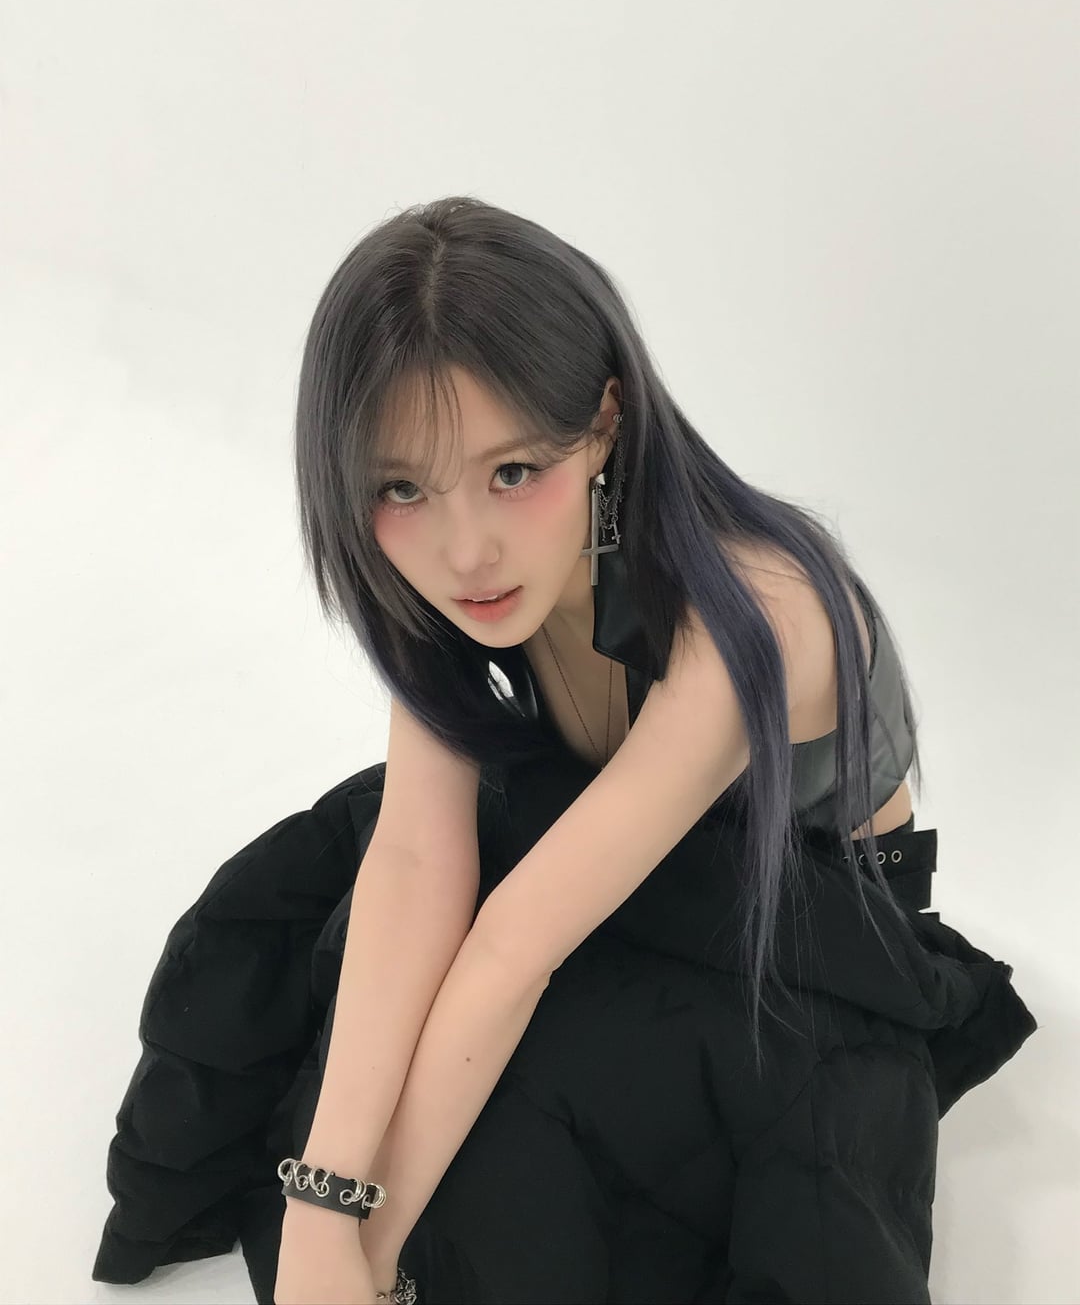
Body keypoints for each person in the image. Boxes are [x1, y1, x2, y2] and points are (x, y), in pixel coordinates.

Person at [93, 196, 1037, 1305]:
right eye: (402, 488)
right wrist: (320, 1209)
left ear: (604, 422)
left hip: (805, 918)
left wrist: (367, 1249)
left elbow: (510, 949)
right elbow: (417, 860)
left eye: (512, 472)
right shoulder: (454, 585)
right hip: (591, 838)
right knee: (298, 909)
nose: (466, 551)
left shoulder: (756, 612)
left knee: (546, 1108)